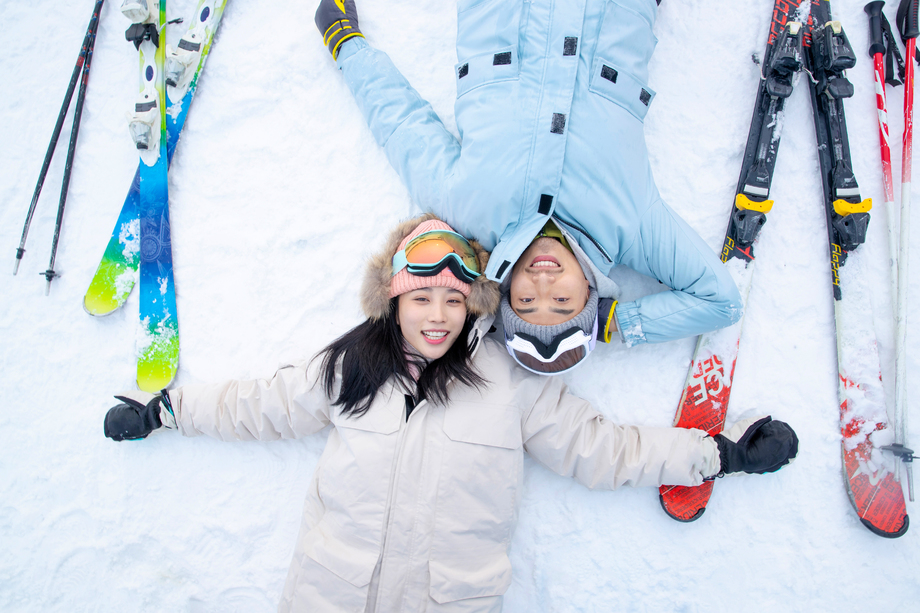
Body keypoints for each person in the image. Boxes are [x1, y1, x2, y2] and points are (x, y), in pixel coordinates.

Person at [104, 215, 797, 612]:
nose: (437, 316)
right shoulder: (351, 369)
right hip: (331, 596)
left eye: (452, 300)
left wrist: (717, 453)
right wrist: (168, 408)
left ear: (474, 305)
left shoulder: (511, 384)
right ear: (393, 301)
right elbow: (261, 404)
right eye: (420, 298)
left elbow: (603, 449)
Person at [314, 0, 744, 375]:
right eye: (561, 301)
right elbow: (721, 302)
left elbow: (401, 123)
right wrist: (615, 324)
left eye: (524, 301)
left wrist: (344, 41)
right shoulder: (631, 226)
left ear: (503, 294)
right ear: (592, 298)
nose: (543, 281)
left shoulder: (469, 210)